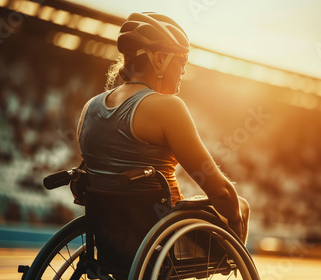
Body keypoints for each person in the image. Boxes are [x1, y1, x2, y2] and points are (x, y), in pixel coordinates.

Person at [76, 12, 249, 270]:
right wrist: (236, 228)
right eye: (181, 61)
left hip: (112, 242)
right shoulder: (167, 107)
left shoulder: (89, 108)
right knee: (238, 204)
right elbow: (219, 190)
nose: (184, 71)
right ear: (159, 59)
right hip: (160, 240)